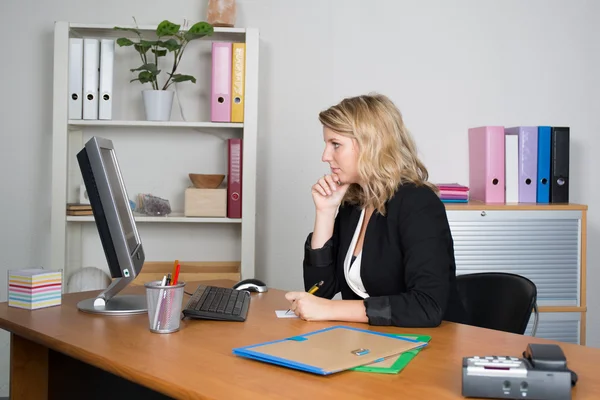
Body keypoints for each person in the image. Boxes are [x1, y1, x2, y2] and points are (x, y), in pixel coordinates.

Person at [285, 93, 467, 327]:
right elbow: (319, 291)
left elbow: (426, 306)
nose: (325, 156)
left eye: (335, 144)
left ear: (370, 145)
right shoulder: (355, 203)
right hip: (375, 341)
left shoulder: (419, 203)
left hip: (430, 344)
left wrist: (331, 309)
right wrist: (325, 213)